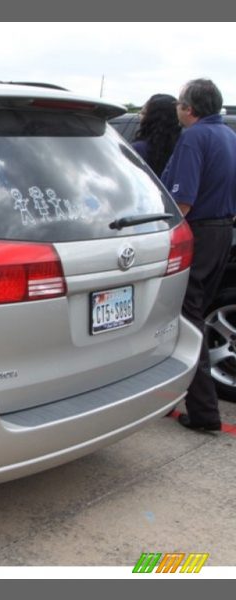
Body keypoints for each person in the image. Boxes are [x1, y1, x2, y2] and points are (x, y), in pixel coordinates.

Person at [161, 78, 236, 432]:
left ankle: (204, 411)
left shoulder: (193, 138)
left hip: (197, 233)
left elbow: (183, 201)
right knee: (196, 314)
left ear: (189, 109)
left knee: (188, 322)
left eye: (179, 103)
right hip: (222, 232)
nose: (177, 109)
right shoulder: (228, 136)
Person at [131, 94, 182, 175]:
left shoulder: (138, 149)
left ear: (150, 118)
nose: (140, 117)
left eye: (143, 113)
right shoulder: (182, 148)